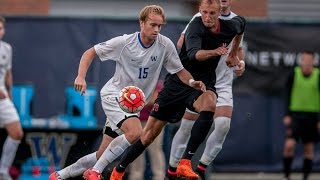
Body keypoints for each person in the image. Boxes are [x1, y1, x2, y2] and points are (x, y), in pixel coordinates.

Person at [49, 5, 205, 180]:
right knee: (135, 132)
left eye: (160, 26)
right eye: (153, 25)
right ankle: (96, 172)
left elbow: (180, 71)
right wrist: (80, 77)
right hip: (114, 96)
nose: (156, 30)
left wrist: (192, 82)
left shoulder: (165, 44)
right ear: (142, 23)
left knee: (102, 154)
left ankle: (59, 175)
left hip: (133, 107)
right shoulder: (124, 42)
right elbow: (89, 52)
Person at [110, 0, 245, 179]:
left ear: (219, 12)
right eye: (204, 12)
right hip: (179, 82)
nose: (207, 17)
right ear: (199, 10)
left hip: (202, 83)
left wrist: (234, 52)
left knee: (210, 105)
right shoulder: (195, 26)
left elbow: (241, 27)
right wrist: (216, 52)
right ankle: (119, 169)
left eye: (212, 13)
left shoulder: (232, 24)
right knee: (148, 135)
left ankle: (185, 162)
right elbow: (194, 55)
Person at [166, 0, 246, 179]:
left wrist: (240, 62)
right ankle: (172, 171)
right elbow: (181, 44)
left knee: (223, 125)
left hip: (223, 82)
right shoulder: (200, 18)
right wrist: (209, 50)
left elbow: (238, 48)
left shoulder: (236, 21)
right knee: (186, 126)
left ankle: (201, 170)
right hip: (202, 80)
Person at [282, 50, 320, 180]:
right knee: (289, 146)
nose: (307, 62)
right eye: (305, 59)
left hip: (312, 116)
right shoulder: (294, 74)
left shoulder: (318, 75)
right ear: (301, 60)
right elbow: (287, 94)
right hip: (296, 116)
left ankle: (305, 177)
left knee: (308, 149)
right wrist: (287, 114)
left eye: (310, 60)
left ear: (313, 61)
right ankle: (287, 176)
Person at [0, 16, 24, 180]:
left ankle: (3, 171)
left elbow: (8, 72)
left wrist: (9, 91)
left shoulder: (6, 48)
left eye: (0, 28)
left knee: (16, 133)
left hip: (2, 97)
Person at [128, 80, 166, 180]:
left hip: (153, 121)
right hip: (136, 121)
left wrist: (136, 102)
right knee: (136, 152)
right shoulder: (133, 81)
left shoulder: (156, 82)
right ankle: (136, 176)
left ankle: (159, 176)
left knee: (155, 150)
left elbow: (155, 99)